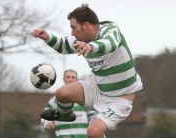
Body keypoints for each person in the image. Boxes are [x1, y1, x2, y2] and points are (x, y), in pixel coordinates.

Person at [33, 3, 143, 138]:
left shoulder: (110, 29)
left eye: (74, 28)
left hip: (120, 98)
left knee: (93, 132)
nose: (72, 33)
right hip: (98, 88)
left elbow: (110, 43)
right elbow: (63, 44)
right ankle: (66, 115)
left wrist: (91, 47)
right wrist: (47, 37)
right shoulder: (81, 40)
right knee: (62, 93)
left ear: (86, 25)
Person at [41, 69, 95, 138]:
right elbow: (44, 116)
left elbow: (93, 117)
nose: (70, 79)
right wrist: (47, 123)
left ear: (76, 80)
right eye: (68, 77)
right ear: (64, 79)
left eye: (73, 77)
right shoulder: (55, 99)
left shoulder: (84, 98)